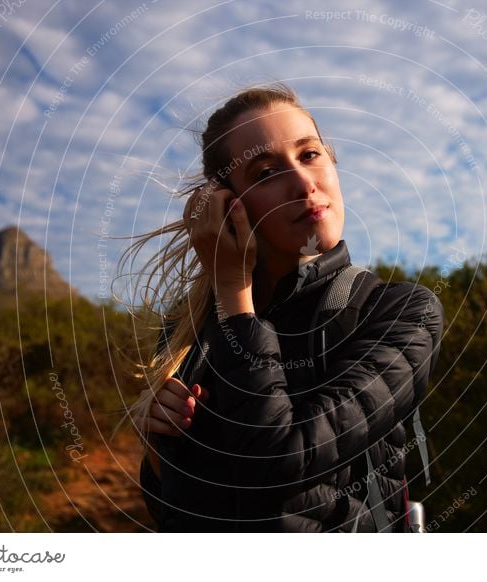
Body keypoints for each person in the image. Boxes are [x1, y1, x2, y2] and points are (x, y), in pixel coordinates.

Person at [122, 82, 443, 532]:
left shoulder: (400, 312)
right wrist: (161, 446)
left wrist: (232, 292)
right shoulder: (189, 329)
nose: (302, 183)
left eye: (309, 154)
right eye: (266, 172)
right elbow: (171, 514)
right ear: (229, 206)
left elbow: (282, 463)